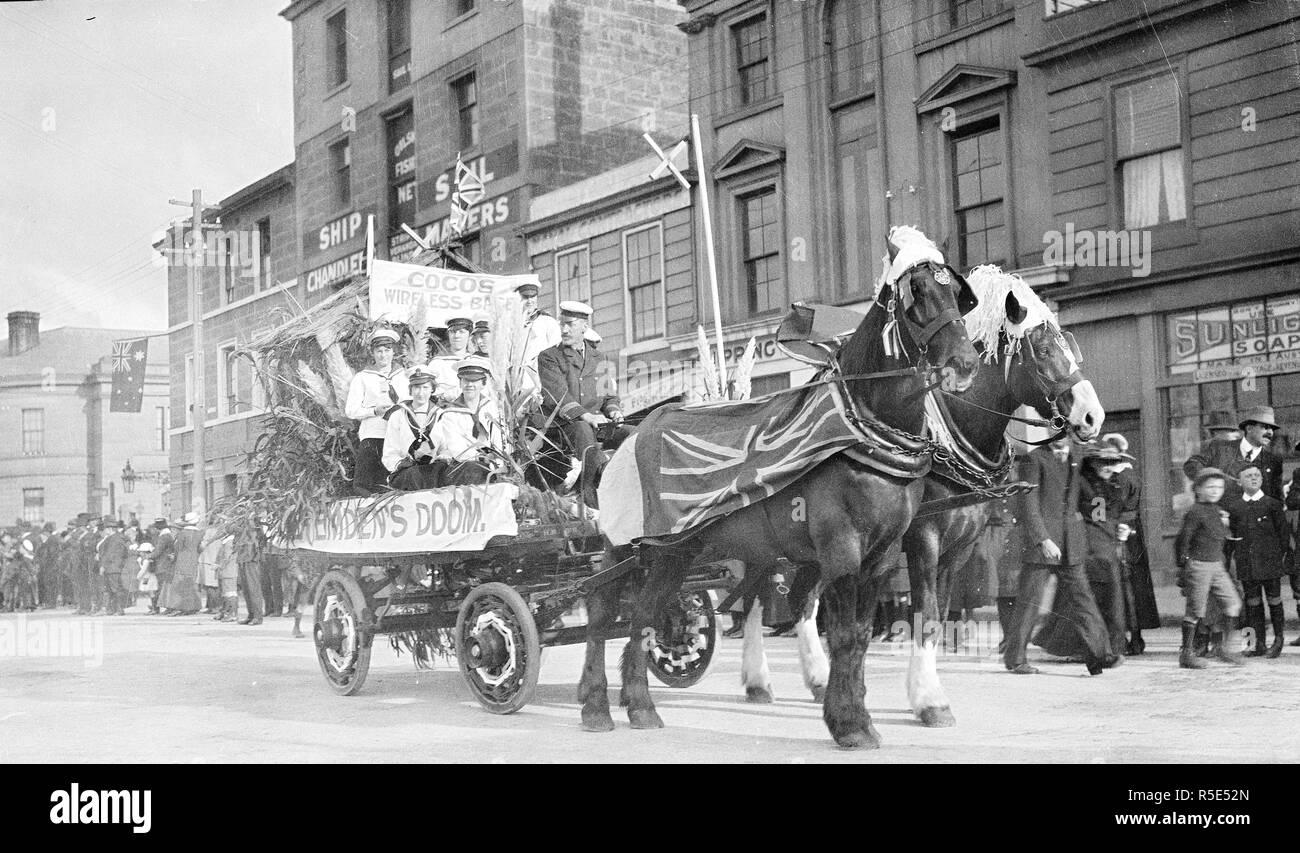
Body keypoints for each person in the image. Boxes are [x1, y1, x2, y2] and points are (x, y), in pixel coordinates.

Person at [1003, 437, 1116, 675]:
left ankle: (1101, 655)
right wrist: (1042, 539)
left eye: (1063, 429)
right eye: (1054, 428)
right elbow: (1029, 504)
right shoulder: (1034, 459)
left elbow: (1091, 493)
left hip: (1071, 545)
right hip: (1042, 546)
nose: (1058, 435)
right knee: (1029, 603)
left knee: (1084, 600)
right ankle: (1016, 659)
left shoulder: (1078, 457)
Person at [1036, 444, 1134, 659]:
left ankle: (1108, 646)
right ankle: (1082, 647)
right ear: (1092, 463)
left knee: (1108, 597)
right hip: (1087, 546)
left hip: (1106, 545)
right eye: (1103, 463)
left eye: (1112, 463)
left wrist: (1122, 527)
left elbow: (1117, 512)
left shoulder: (1114, 484)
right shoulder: (1081, 483)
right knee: (1085, 598)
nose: (1108, 467)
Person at [537, 301, 627, 507]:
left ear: (584, 327)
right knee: (582, 429)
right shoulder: (549, 357)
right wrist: (587, 416)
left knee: (632, 434)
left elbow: (609, 396)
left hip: (597, 425)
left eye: (569, 324)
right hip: (565, 427)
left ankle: (629, 487)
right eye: (562, 324)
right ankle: (588, 493)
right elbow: (558, 396)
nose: (564, 329)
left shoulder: (600, 358)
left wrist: (614, 412)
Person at [1098, 433, 1161, 655]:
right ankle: (1134, 637)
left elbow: (1115, 509)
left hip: (1122, 535)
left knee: (1125, 585)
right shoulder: (1127, 475)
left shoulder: (1121, 478)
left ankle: (1131, 638)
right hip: (1130, 534)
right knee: (1131, 585)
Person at [1175, 467, 1244, 668]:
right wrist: (1184, 565)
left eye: (1219, 487)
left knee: (1233, 604)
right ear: (1198, 489)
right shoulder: (1195, 512)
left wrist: (1224, 524)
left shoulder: (1217, 510)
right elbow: (1183, 540)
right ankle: (1186, 654)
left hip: (1217, 565)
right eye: (1210, 487)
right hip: (1199, 566)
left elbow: (1218, 537)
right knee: (1195, 610)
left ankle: (1223, 648)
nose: (1215, 491)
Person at [1223, 464, 1291, 657]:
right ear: (1240, 482)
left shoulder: (1272, 504)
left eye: (1257, 475)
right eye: (1248, 476)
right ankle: (1254, 643)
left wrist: (1277, 557)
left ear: (1261, 479)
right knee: (1251, 603)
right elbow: (1231, 537)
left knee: (1274, 601)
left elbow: (1283, 535)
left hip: (1270, 563)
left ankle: (1278, 641)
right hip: (1247, 563)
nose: (1253, 478)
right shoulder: (1234, 507)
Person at [344, 328, 411, 495]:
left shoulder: (405, 376)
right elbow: (351, 410)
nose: (383, 355)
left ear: (394, 352)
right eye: (379, 351)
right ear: (372, 353)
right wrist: (374, 411)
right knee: (367, 485)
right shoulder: (362, 377)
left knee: (395, 484)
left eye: (387, 350)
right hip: (373, 436)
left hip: (399, 437)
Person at [429, 355, 505, 486]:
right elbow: (457, 449)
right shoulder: (450, 413)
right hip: (463, 467)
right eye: (465, 380)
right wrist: (483, 458)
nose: (469, 385)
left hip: (493, 463)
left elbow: (499, 439)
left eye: (474, 381)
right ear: (460, 383)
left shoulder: (492, 408)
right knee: (475, 471)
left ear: (483, 384)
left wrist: (498, 459)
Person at [1184, 405, 1284, 500]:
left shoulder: (1271, 459)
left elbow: (1276, 495)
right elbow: (1192, 465)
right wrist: (1216, 478)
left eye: (1236, 431)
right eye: (1232, 431)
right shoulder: (1215, 447)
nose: (1237, 434)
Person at [383, 367, 444, 490]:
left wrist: (437, 458)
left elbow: (447, 449)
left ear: (432, 389)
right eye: (416, 387)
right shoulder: (398, 416)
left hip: (435, 470)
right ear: (410, 390)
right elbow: (390, 453)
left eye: (425, 387)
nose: (420, 393)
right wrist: (407, 462)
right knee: (415, 475)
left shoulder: (442, 415)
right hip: (407, 472)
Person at [515, 282, 562, 399]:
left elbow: (556, 352)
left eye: (532, 297)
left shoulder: (548, 322)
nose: (529, 301)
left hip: (540, 377)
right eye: (525, 297)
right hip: (517, 379)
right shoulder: (513, 325)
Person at [161, 512, 203, 616]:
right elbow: (200, 548)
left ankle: (178, 607)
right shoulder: (199, 533)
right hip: (193, 560)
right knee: (190, 584)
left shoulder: (183, 533)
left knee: (178, 584)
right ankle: (190, 607)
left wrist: (173, 556)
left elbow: (178, 548)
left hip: (182, 560)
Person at [428, 316, 474, 404]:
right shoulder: (437, 364)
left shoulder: (475, 362)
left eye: (461, 332)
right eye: (452, 332)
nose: (456, 336)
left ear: (469, 335)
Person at [98, 519, 131, 616]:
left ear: (110, 529)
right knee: (112, 589)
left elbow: (109, 554)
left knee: (115, 589)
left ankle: (119, 609)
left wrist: (103, 565)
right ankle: (114, 609)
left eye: (105, 528)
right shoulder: (116, 537)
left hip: (113, 567)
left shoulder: (114, 539)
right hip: (114, 567)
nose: (104, 530)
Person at [235, 522, 265, 626]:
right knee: (246, 590)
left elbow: (255, 541)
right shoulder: (242, 527)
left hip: (251, 560)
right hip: (243, 560)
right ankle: (251, 615)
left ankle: (257, 616)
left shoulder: (255, 528)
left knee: (253, 589)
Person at [148, 518, 174, 615]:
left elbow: (158, 551)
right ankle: (163, 607)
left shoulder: (163, 536)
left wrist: (149, 556)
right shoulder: (168, 535)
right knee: (164, 587)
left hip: (162, 564)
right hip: (167, 564)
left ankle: (157, 608)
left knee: (162, 587)